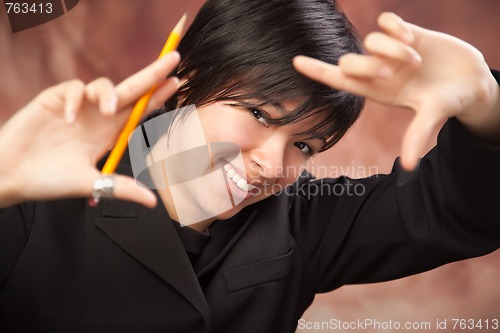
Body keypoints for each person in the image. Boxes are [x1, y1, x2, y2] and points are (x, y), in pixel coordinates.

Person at [0, 0, 498, 332]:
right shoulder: (31, 192)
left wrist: (485, 103)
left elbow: (455, 210)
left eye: (305, 146)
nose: (270, 163)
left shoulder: (302, 220)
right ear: (190, 75)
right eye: (260, 114)